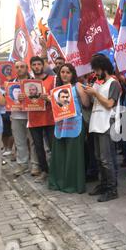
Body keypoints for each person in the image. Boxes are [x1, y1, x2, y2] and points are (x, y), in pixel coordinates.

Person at [84, 55, 121, 202]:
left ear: (104, 68)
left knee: (106, 159)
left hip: (107, 124)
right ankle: (104, 184)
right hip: (97, 124)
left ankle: (112, 189)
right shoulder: (98, 83)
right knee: (99, 158)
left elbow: (109, 104)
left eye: (97, 70)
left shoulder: (114, 83)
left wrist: (95, 93)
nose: (95, 73)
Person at [48, 64, 89, 194]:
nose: (65, 74)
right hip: (61, 125)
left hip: (75, 124)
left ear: (73, 74)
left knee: (74, 156)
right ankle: (59, 182)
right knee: (60, 155)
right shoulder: (57, 90)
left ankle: (73, 184)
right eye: (62, 72)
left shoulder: (77, 86)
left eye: (68, 72)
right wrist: (50, 100)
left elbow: (86, 104)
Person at [27, 56, 56, 183]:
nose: (37, 66)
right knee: (39, 147)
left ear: (43, 65)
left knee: (53, 146)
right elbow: (23, 102)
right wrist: (22, 98)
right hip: (34, 119)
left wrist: (48, 97)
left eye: (39, 64)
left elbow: (58, 98)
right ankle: (45, 171)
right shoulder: (27, 83)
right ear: (31, 66)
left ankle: (56, 171)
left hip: (50, 118)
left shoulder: (53, 79)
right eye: (34, 64)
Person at [10, 60, 40, 177]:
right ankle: (22, 164)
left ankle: (35, 165)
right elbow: (7, 100)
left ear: (27, 68)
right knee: (19, 141)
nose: (19, 69)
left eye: (22, 66)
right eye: (17, 67)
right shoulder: (10, 84)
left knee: (33, 141)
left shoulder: (35, 82)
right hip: (16, 115)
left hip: (31, 115)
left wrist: (26, 97)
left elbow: (38, 99)